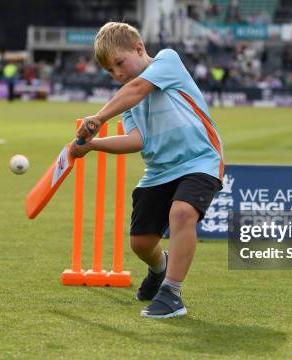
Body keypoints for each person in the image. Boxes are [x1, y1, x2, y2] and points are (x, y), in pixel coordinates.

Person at [71, 22, 224, 318]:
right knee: (141, 243)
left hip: (200, 159)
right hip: (159, 169)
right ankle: (159, 267)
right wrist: (93, 145)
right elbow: (136, 140)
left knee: (181, 213)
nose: (117, 74)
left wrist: (99, 118)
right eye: (110, 71)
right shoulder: (126, 100)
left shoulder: (168, 60)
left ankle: (172, 293)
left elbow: (139, 88)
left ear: (139, 49)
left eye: (119, 63)